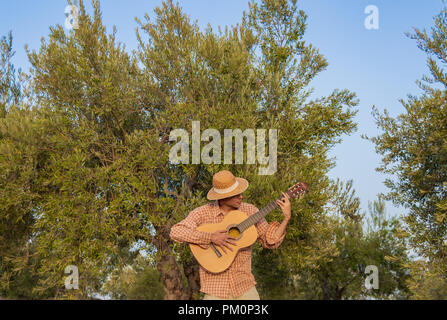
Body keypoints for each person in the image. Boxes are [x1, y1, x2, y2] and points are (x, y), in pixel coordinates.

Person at [169, 170, 291, 300]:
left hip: (245, 287)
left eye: (240, 193)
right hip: (215, 290)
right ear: (223, 197)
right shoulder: (202, 213)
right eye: (236, 194)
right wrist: (210, 237)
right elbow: (176, 232)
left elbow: (271, 241)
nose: (241, 197)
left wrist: (286, 218)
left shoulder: (250, 211)